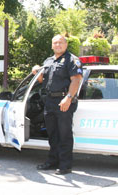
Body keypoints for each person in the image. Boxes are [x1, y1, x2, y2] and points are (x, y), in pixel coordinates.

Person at [32, 35, 83, 175]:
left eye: (61, 42)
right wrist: (36, 71)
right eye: (55, 43)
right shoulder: (48, 61)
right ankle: (52, 161)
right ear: (52, 45)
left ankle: (65, 165)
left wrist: (68, 98)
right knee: (52, 134)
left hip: (64, 101)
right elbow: (42, 80)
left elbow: (76, 80)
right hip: (50, 102)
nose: (58, 45)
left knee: (64, 134)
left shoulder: (71, 60)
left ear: (66, 44)